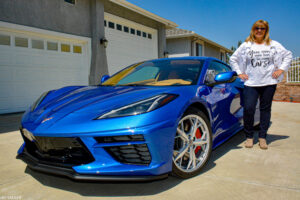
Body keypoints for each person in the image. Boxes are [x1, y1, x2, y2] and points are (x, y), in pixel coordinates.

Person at [230, 19, 292, 149]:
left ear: (266, 31)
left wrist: (281, 69)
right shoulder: (247, 45)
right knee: (249, 109)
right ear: (253, 30)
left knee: (265, 110)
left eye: (262, 28)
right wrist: (240, 72)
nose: (259, 30)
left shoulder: (273, 44)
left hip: (269, 82)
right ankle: (249, 137)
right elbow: (233, 58)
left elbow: (288, 55)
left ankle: (262, 137)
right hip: (251, 83)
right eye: (257, 28)